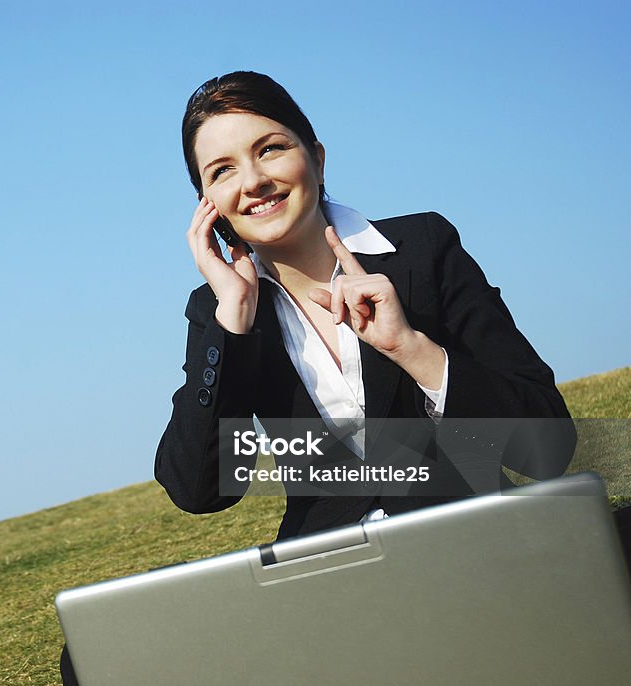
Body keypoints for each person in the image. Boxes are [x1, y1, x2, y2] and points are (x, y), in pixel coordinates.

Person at [60, 70, 574, 685]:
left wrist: (412, 348)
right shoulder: (221, 308)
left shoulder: (423, 249)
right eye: (221, 171)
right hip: (327, 570)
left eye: (270, 148)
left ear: (316, 156)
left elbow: (549, 444)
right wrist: (232, 321)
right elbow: (199, 489)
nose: (252, 182)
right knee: (96, 659)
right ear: (207, 203)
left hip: (462, 549)